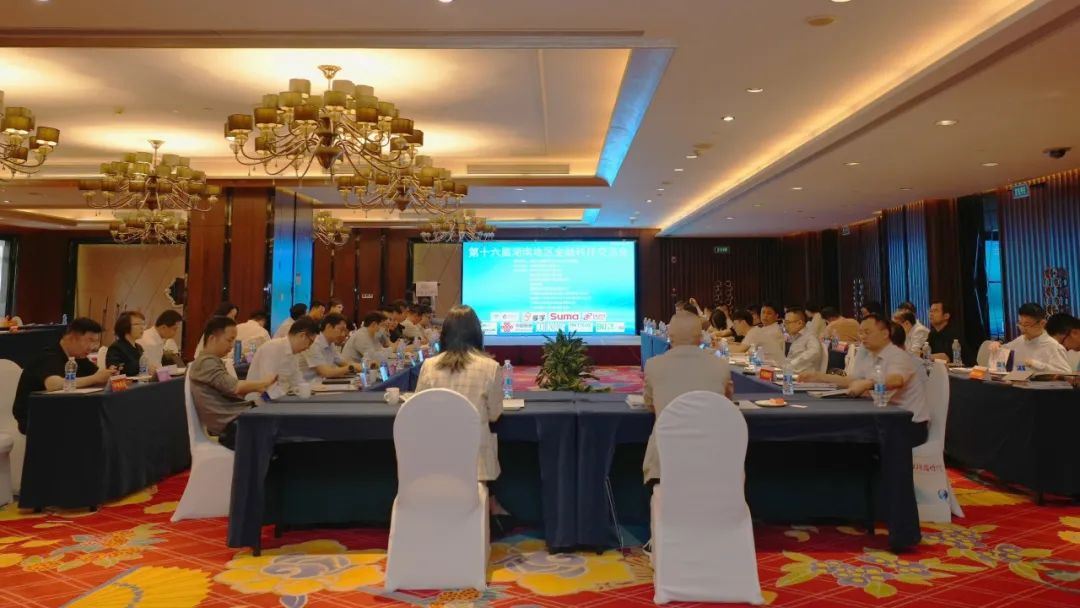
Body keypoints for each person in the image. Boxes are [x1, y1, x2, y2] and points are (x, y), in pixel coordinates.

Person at [802, 314, 929, 446]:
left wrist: (868, 383)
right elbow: (853, 380)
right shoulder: (873, 356)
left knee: (842, 435)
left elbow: (896, 380)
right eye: (861, 333)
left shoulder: (899, 356)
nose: (862, 337)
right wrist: (819, 376)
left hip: (908, 423)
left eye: (867, 332)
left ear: (885, 334)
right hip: (887, 416)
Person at [414, 304, 504, 482]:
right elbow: (494, 414)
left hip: (435, 458)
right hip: (477, 463)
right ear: (477, 333)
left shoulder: (429, 366)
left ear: (444, 334)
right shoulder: (491, 367)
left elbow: (418, 409)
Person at [642, 312, 733, 484]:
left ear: (669, 337)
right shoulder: (720, 365)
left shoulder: (653, 365)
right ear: (701, 338)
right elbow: (726, 403)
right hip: (714, 462)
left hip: (664, 465)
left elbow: (650, 404)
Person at [13, 317, 117, 434]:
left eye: (96, 342)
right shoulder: (48, 355)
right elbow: (53, 385)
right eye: (90, 340)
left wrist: (108, 374)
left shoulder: (78, 357)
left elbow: (97, 375)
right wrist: (94, 379)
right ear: (72, 337)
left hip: (62, 411)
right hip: (35, 417)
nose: (93, 347)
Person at [188, 316, 277, 449]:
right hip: (232, 425)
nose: (231, 346)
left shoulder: (211, 361)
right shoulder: (206, 363)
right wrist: (263, 383)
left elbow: (234, 391)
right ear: (212, 339)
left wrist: (257, 389)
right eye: (229, 340)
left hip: (236, 418)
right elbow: (236, 387)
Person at [991, 303, 1072, 373]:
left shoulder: (1053, 346)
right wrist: (997, 344)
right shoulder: (1021, 340)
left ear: (1042, 323)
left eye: (1027, 325)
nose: (1022, 329)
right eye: (1020, 324)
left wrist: (1037, 365)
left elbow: (1066, 374)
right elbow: (1004, 350)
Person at [247, 316, 319, 395]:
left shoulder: (293, 353)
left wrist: (306, 390)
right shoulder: (272, 348)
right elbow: (268, 388)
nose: (308, 348)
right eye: (310, 342)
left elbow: (297, 381)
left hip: (280, 397)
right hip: (260, 400)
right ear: (302, 336)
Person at [302, 312, 361, 382]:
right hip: (308, 385)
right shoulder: (314, 343)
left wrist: (361, 366)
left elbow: (342, 362)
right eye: (341, 330)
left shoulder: (330, 343)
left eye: (344, 331)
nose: (343, 334)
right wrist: (351, 367)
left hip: (322, 383)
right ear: (328, 327)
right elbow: (326, 373)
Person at [106, 311, 149, 375]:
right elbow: (115, 371)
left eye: (143, 324)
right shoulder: (116, 348)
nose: (142, 327)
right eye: (137, 324)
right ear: (125, 327)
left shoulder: (139, 347)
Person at [926, 300, 969, 365]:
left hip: (964, 368)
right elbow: (924, 351)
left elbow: (945, 358)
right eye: (930, 311)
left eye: (935, 311)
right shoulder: (932, 333)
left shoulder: (954, 333)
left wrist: (926, 356)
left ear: (946, 316)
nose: (931, 314)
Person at [784, 306, 824, 374]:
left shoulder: (810, 336)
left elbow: (815, 351)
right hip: (792, 373)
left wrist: (793, 362)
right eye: (784, 322)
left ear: (799, 323)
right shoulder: (796, 337)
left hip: (804, 377)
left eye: (787, 322)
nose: (785, 325)